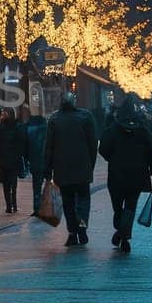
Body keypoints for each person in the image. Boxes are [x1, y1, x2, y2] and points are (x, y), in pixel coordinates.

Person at [99, 97, 152, 252]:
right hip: (138, 175)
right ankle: (124, 234)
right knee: (131, 206)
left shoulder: (113, 129)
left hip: (116, 175)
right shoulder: (143, 130)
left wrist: (112, 158)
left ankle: (121, 231)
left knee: (118, 207)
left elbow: (103, 149)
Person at [45, 92, 99, 246]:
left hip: (62, 170)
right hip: (82, 168)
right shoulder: (86, 117)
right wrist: (90, 165)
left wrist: (47, 170)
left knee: (68, 202)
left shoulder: (54, 120)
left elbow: (48, 147)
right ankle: (82, 227)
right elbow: (92, 144)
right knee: (83, 201)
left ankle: (72, 232)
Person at [0, 107, 28, 213]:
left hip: (3, 160)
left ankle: (8, 206)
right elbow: (21, 143)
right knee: (13, 182)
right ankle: (14, 205)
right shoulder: (17, 127)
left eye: (3, 113)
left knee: (6, 184)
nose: (2, 115)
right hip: (14, 159)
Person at [25, 108, 49, 215]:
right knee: (48, 183)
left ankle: (37, 207)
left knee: (36, 185)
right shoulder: (46, 128)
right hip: (46, 161)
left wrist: (27, 159)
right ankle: (46, 207)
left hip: (35, 161)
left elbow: (26, 147)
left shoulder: (29, 129)